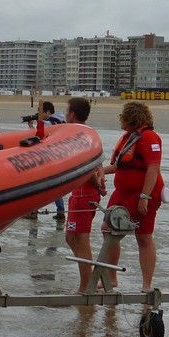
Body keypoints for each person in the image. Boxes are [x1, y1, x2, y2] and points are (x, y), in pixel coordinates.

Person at [100, 101, 163, 291]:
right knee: (107, 229)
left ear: (131, 118)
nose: (120, 119)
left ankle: (146, 285)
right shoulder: (130, 138)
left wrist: (145, 196)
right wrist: (99, 171)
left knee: (143, 237)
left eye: (123, 116)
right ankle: (111, 278)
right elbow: (119, 166)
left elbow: (153, 168)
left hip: (143, 194)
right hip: (122, 194)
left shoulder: (150, 137)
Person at [62, 97, 106, 292]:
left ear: (72, 114)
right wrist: (101, 180)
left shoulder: (81, 134)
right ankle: (90, 277)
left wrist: (97, 181)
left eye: (66, 111)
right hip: (79, 193)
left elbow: (90, 164)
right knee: (70, 238)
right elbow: (99, 161)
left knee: (80, 238)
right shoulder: (88, 134)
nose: (65, 114)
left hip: (83, 194)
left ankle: (85, 286)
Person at [33, 100, 68, 221]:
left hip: (50, 156)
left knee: (37, 183)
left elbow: (41, 134)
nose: (39, 114)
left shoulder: (53, 121)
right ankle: (60, 212)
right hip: (59, 156)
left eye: (40, 112)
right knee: (56, 186)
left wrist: (37, 123)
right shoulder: (61, 119)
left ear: (47, 112)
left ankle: (33, 211)